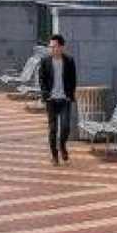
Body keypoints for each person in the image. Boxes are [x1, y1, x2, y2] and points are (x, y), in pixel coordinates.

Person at [39, 34, 77, 166]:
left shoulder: (69, 61)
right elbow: (42, 80)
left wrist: (69, 94)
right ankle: (54, 155)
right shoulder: (45, 61)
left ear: (61, 47)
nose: (52, 49)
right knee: (53, 129)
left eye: (54, 46)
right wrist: (45, 94)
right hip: (51, 100)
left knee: (66, 127)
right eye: (51, 46)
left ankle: (62, 145)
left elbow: (73, 80)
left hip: (64, 99)